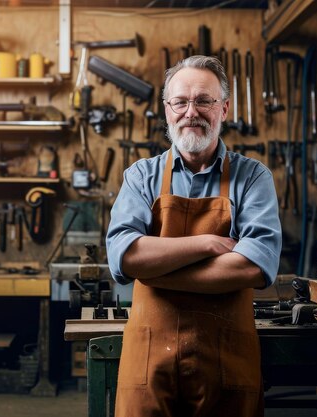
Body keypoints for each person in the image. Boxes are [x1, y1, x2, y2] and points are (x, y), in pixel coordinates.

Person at [105, 55, 282, 417]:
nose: (191, 112)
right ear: (167, 109)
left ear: (224, 108)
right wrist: (204, 244)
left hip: (225, 360)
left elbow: (253, 267)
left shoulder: (253, 178)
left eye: (204, 100)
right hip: (150, 363)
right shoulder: (141, 176)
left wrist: (156, 272)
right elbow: (125, 258)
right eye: (180, 102)